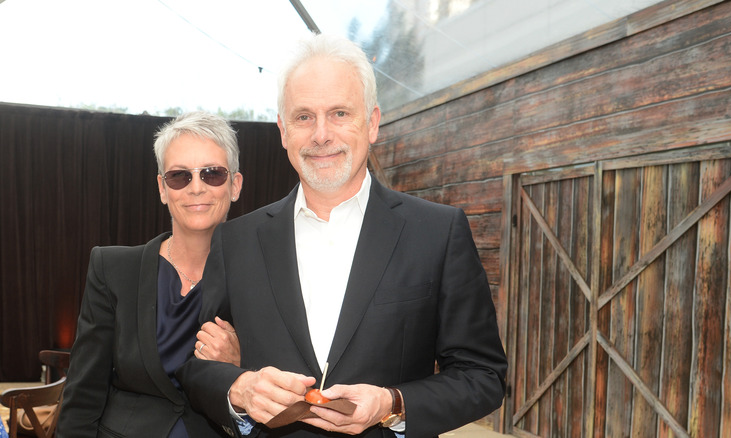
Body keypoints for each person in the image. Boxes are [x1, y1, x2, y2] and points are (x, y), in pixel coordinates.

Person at [177, 33, 507, 438]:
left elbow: (483, 376)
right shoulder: (236, 241)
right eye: (303, 117)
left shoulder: (437, 232)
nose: (320, 135)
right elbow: (196, 371)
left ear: (371, 123)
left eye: (339, 114)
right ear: (283, 131)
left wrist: (392, 403)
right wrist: (239, 388)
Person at [58, 111, 245, 438]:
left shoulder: (261, 278)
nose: (196, 188)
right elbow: (83, 395)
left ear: (234, 185)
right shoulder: (112, 269)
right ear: (162, 188)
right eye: (179, 176)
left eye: (212, 174)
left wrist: (240, 368)